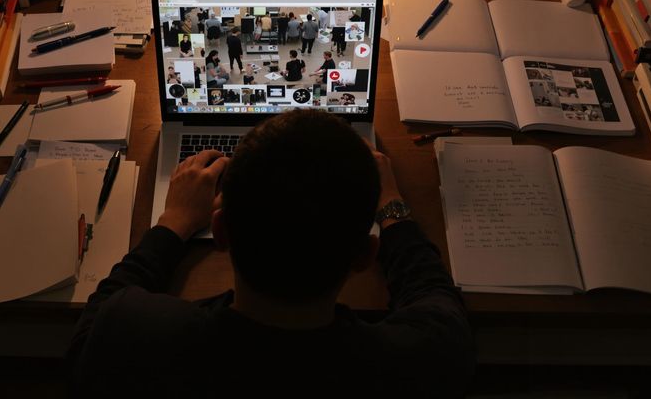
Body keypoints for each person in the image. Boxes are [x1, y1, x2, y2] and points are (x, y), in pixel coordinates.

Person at [68, 110, 474, 396]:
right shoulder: (424, 361)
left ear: (222, 231)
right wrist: (392, 208)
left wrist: (173, 221)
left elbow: (97, 321)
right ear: (365, 255)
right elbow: (434, 294)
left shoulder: (132, 336)